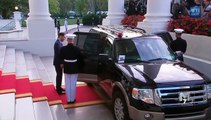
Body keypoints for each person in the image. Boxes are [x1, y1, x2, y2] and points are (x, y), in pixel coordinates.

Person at [60, 34, 84, 104]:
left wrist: (62, 63)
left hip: (67, 67)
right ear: (73, 40)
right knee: (73, 84)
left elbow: (60, 57)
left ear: (67, 40)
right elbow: (81, 59)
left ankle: (68, 100)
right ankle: (72, 99)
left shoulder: (63, 49)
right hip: (74, 67)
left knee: (67, 84)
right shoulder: (77, 49)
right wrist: (80, 67)